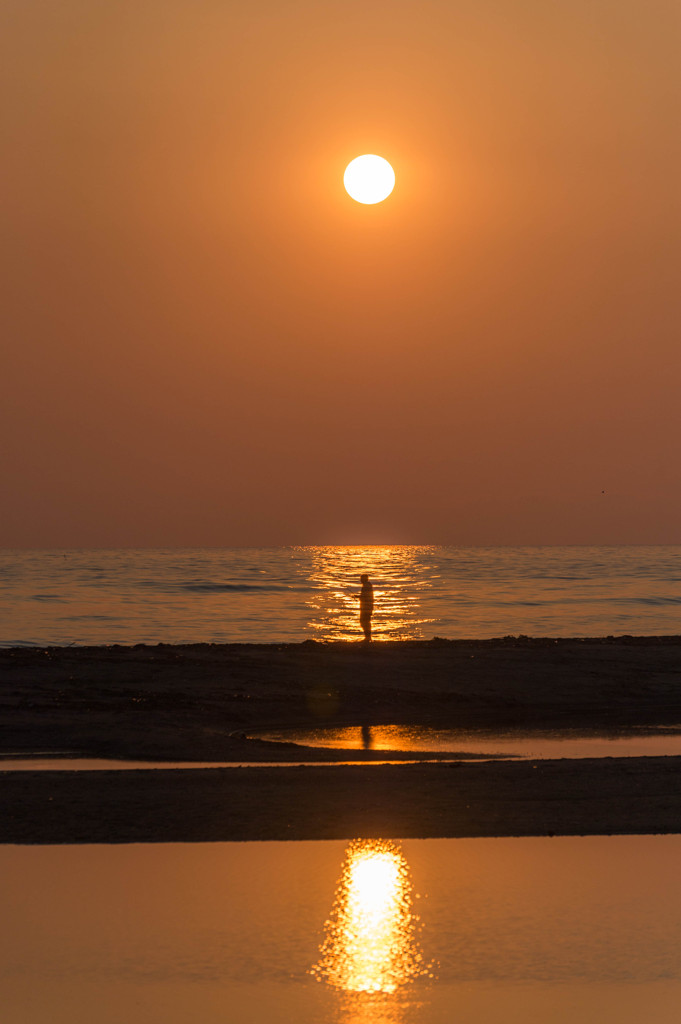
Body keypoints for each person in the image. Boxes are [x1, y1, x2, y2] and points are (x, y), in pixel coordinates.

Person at [359, 574, 374, 642]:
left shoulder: (366, 586)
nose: (360, 580)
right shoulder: (367, 585)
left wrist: (359, 597)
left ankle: (367, 637)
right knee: (365, 621)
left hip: (366, 607)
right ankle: (367, 637)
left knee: (365, 622)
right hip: (367, 607)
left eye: (361, 578)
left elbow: (365, 597)